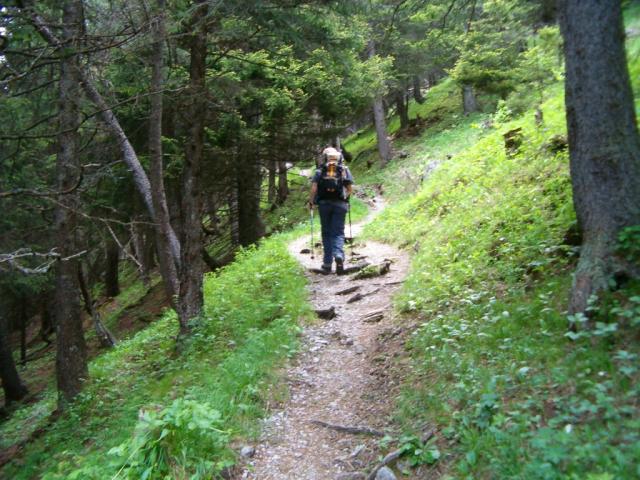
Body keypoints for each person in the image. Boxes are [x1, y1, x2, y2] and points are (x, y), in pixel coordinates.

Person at [308, 146, 354, 274]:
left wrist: (311, 202)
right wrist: (345, 199)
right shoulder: (344, 170)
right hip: (340, 205)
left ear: (326, 158)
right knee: (338, 232)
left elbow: (313, 189)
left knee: (326, 233)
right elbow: (350, 189)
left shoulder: (319, 171)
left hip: (324, 205)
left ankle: (327, 264)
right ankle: (338, 255)